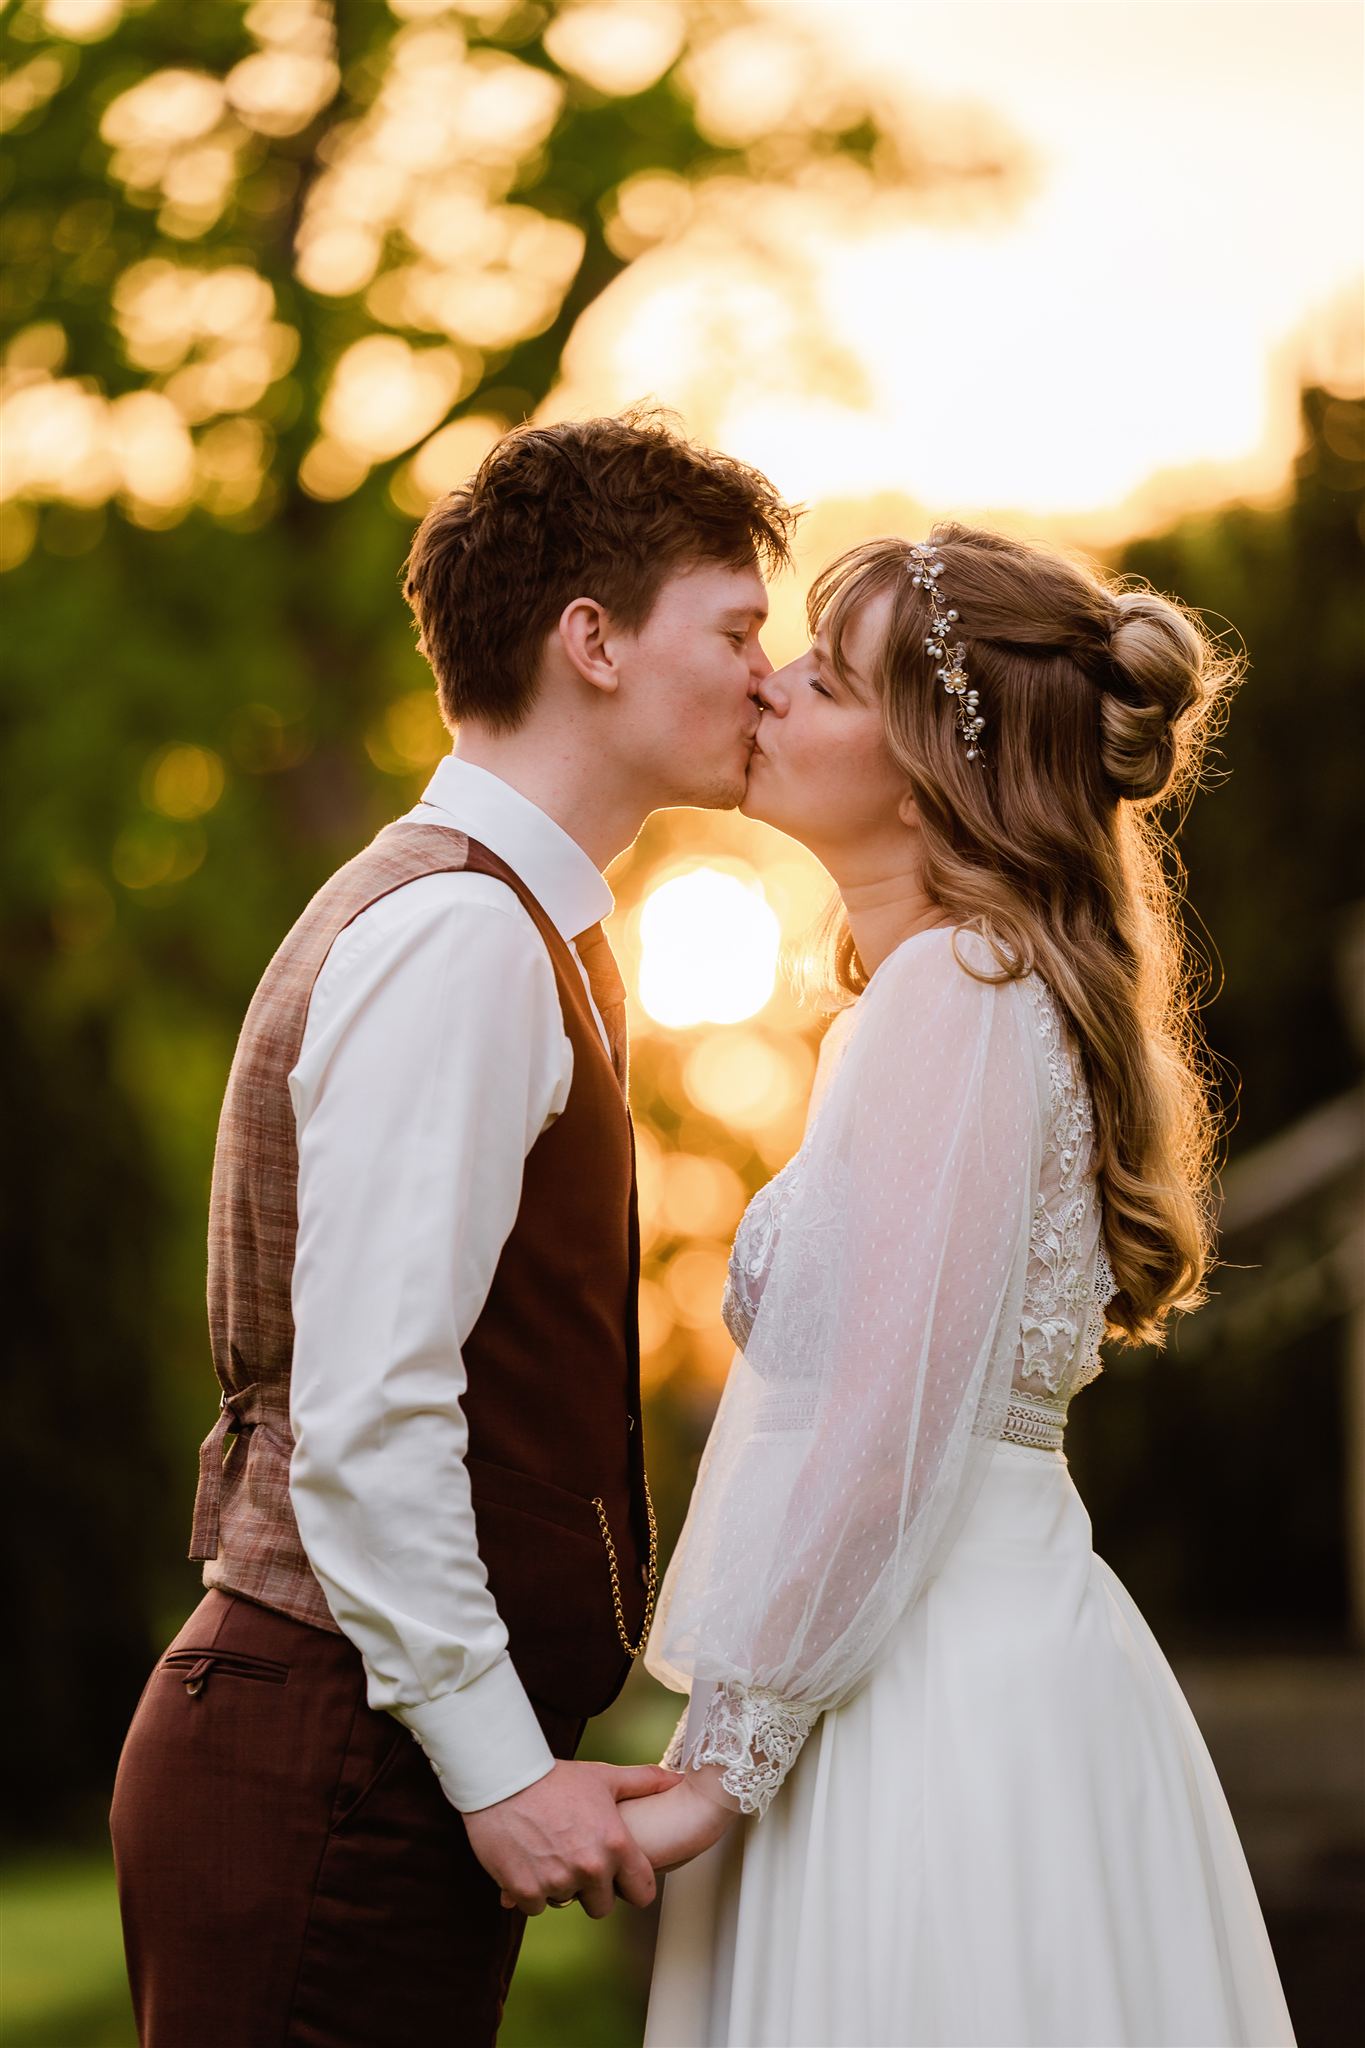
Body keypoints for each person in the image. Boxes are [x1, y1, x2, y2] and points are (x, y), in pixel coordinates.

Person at [108, 409, 795, 2048]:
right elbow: (368, 1416)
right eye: (738, 630)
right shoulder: (462, 941)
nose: (765, 679)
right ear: (594, 643)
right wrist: (498, 1773)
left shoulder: (511, 927)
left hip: (357, 1759)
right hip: (332, 1770)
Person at [623, 526, 1298, 2046]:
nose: (771, 689)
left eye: (829, 676)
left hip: (929, 1700)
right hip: (942, 1653)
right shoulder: (953, 996)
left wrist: (720, 1768)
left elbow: (886, 1426)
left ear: (935, 762)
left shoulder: (957, 991)